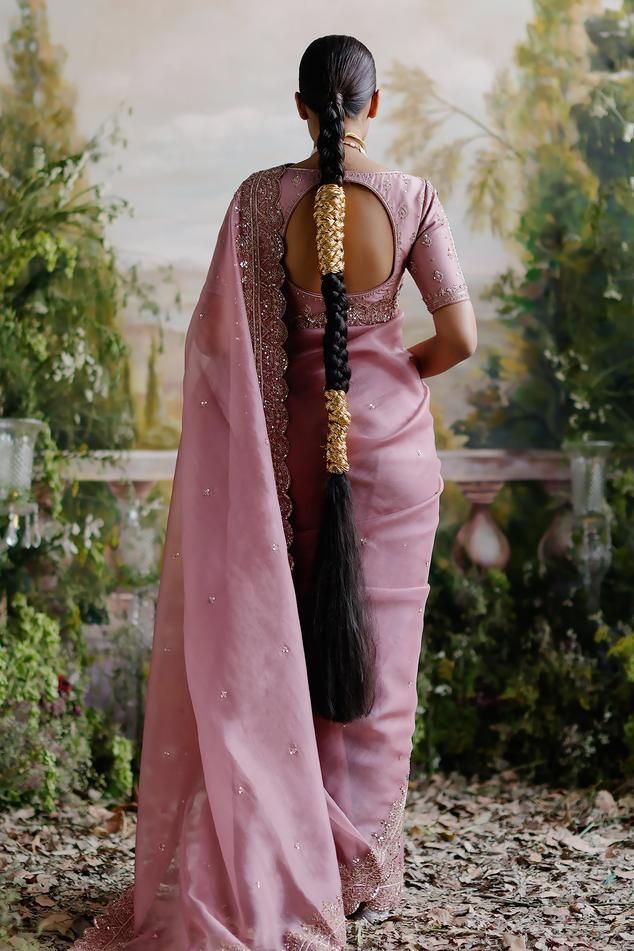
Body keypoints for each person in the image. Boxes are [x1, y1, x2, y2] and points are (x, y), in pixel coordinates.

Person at [72, 33, 477, 951]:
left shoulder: (260, 201)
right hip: (395, 451)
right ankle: (363, 865)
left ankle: (294, 849)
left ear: (301, 107)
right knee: (386, 653)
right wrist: (394, 370)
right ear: (373, 106)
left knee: (290, 638)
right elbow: (461, 337)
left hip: (286, 451)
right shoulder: (412, 198)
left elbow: (220, 351)